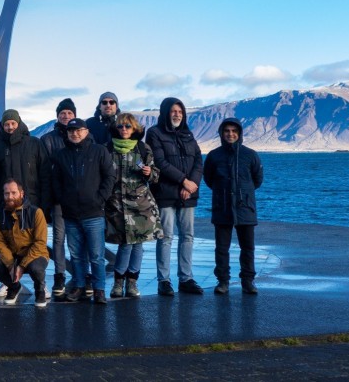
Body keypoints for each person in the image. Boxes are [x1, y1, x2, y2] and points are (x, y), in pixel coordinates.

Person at [52, 118, 117, 304]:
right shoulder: (61, 155)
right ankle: (79, 286)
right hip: (71, 214)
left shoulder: (99, 151)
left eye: (78, 130)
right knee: (76, 255)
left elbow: (110, 176)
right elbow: (55, 180)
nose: (75, 133)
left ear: (86, 131)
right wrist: (62, 199)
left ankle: (99, 290)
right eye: (71, 130)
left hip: (94, 213)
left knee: (96, 255)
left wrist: (100, 198)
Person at [146, 97, 205, 296]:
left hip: (188, 194)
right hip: (165, 193)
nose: (177, 114)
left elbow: (198, 160)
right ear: (165, 112)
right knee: (166, 237)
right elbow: (160, 162)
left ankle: (186, 278)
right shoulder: (154, 133)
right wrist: (183, 181)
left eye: (180, 111)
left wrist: (191, 185)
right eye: (173, 111)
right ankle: (164, 280)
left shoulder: (188, 134)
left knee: (187, 236)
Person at [104, 113, 162, 299]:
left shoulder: (143, 148)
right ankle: (118, 283)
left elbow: (155, 175)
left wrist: (149, 172)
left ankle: (132, 283)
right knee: (125, 244)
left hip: (141, 205)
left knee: (138, 245)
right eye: (121, 126)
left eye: (128, 126)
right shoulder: (108, 149)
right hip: (117, 206)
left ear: (134, 128)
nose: (124, 130)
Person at [204, 117, 264, 295]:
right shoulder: (214, 156)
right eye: (226, 131)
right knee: (222, 248)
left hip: (245, 207)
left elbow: (257, 180)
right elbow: (208, 179)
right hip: (222, 207)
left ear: (239, 133)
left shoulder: (250, 155)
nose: (230, 134)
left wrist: (243, 193)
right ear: (222, 133)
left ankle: (248, 281)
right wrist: (223, 192)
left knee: (248, 248)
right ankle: (223, 281)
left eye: (234, 131)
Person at [0, 179, 50, 307]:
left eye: (13, 193)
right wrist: (11, 265)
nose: (9, 197)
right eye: (6, 193)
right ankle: (14, 287)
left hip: (36, 254)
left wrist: (21, 266)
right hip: (14, 256)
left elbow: (40, 242)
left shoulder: (36, 213)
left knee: (36, 269)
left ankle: (40, 290)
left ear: (21, 194)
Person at [41, 97, 77, 298]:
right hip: (58, 198)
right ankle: (60, 274)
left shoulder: (80, 136)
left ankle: (81, 274)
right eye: (62, 113)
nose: (66, 116)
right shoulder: (48, 139)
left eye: (69, 113)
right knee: (59, 238)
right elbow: (45, 171)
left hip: (78, 198)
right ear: (57, 116)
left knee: (78, 238)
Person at [0, 109, 50, 210]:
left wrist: (46, 204)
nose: (10, 127)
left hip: (33, 203)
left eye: (13, 123)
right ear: (2, 126)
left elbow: (45, 175)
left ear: (18, 123)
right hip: (8, 204)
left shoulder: (34, 143)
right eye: (6, 124)